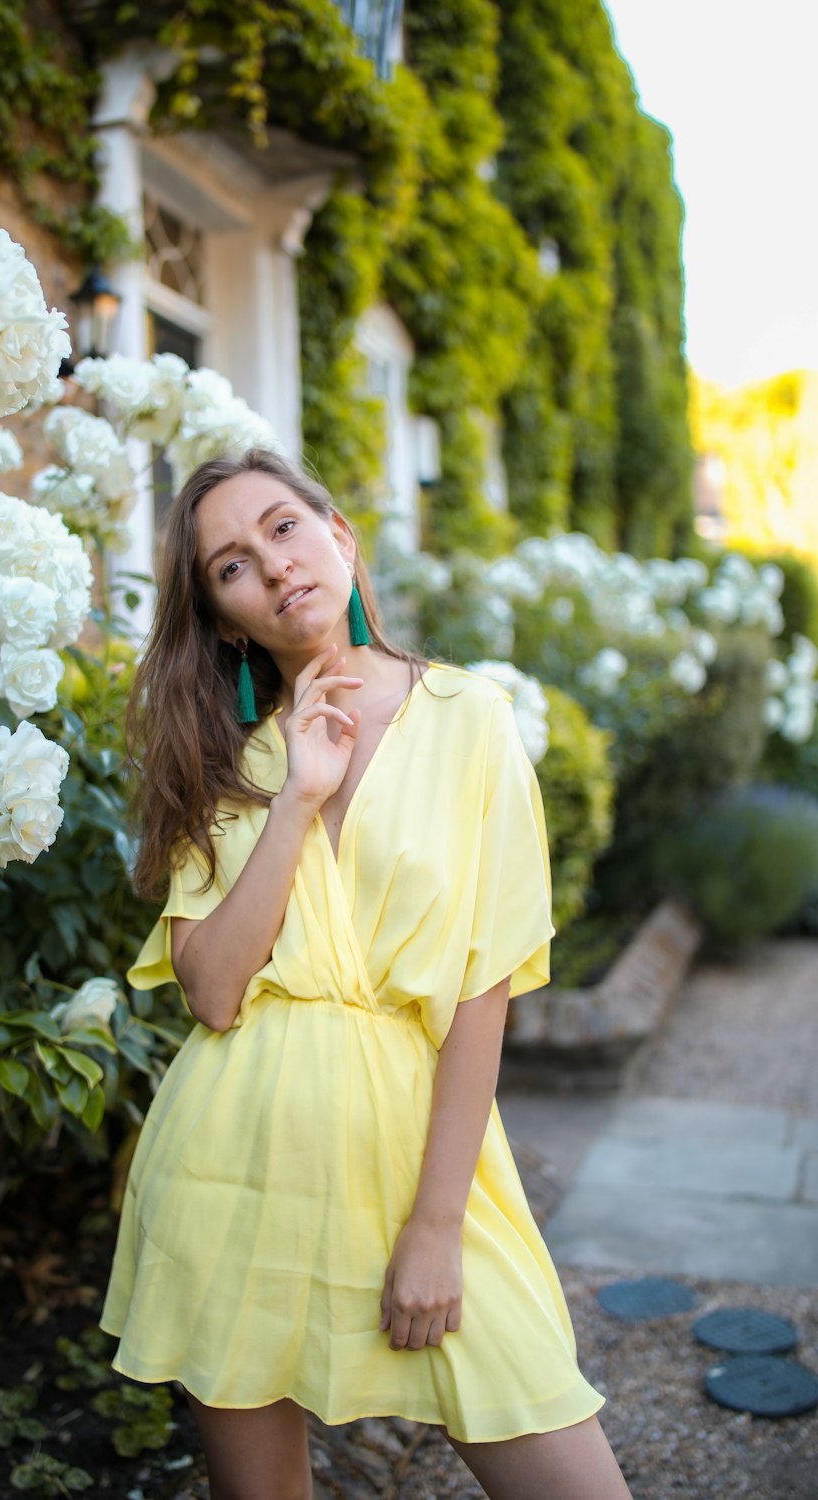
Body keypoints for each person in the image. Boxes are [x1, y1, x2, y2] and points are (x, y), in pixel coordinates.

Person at [101, 448, 632, 1500]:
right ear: (223, 619)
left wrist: (436, 1226)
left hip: (418, 1162)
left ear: (337, 532)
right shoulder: (233, 764)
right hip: (231, 1166)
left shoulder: (470, 719)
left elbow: (482, 993)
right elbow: (211, 992)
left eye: (284, 527)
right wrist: (295, 796)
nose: (273, 566)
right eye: (231, 567)